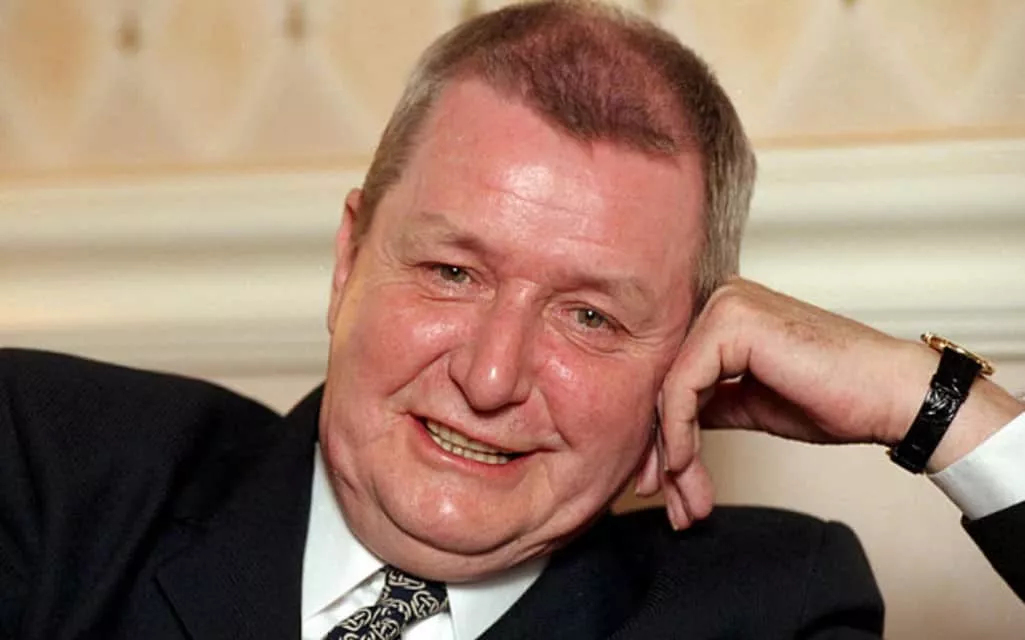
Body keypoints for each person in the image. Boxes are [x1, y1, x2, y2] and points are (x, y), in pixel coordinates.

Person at [1, 2, 1022, 639]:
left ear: (688, 356)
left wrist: (937, 406)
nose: (491, 378)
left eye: (589, 316)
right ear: (348, 260)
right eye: (451, 271)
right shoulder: (49, 468)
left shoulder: (768, 606)